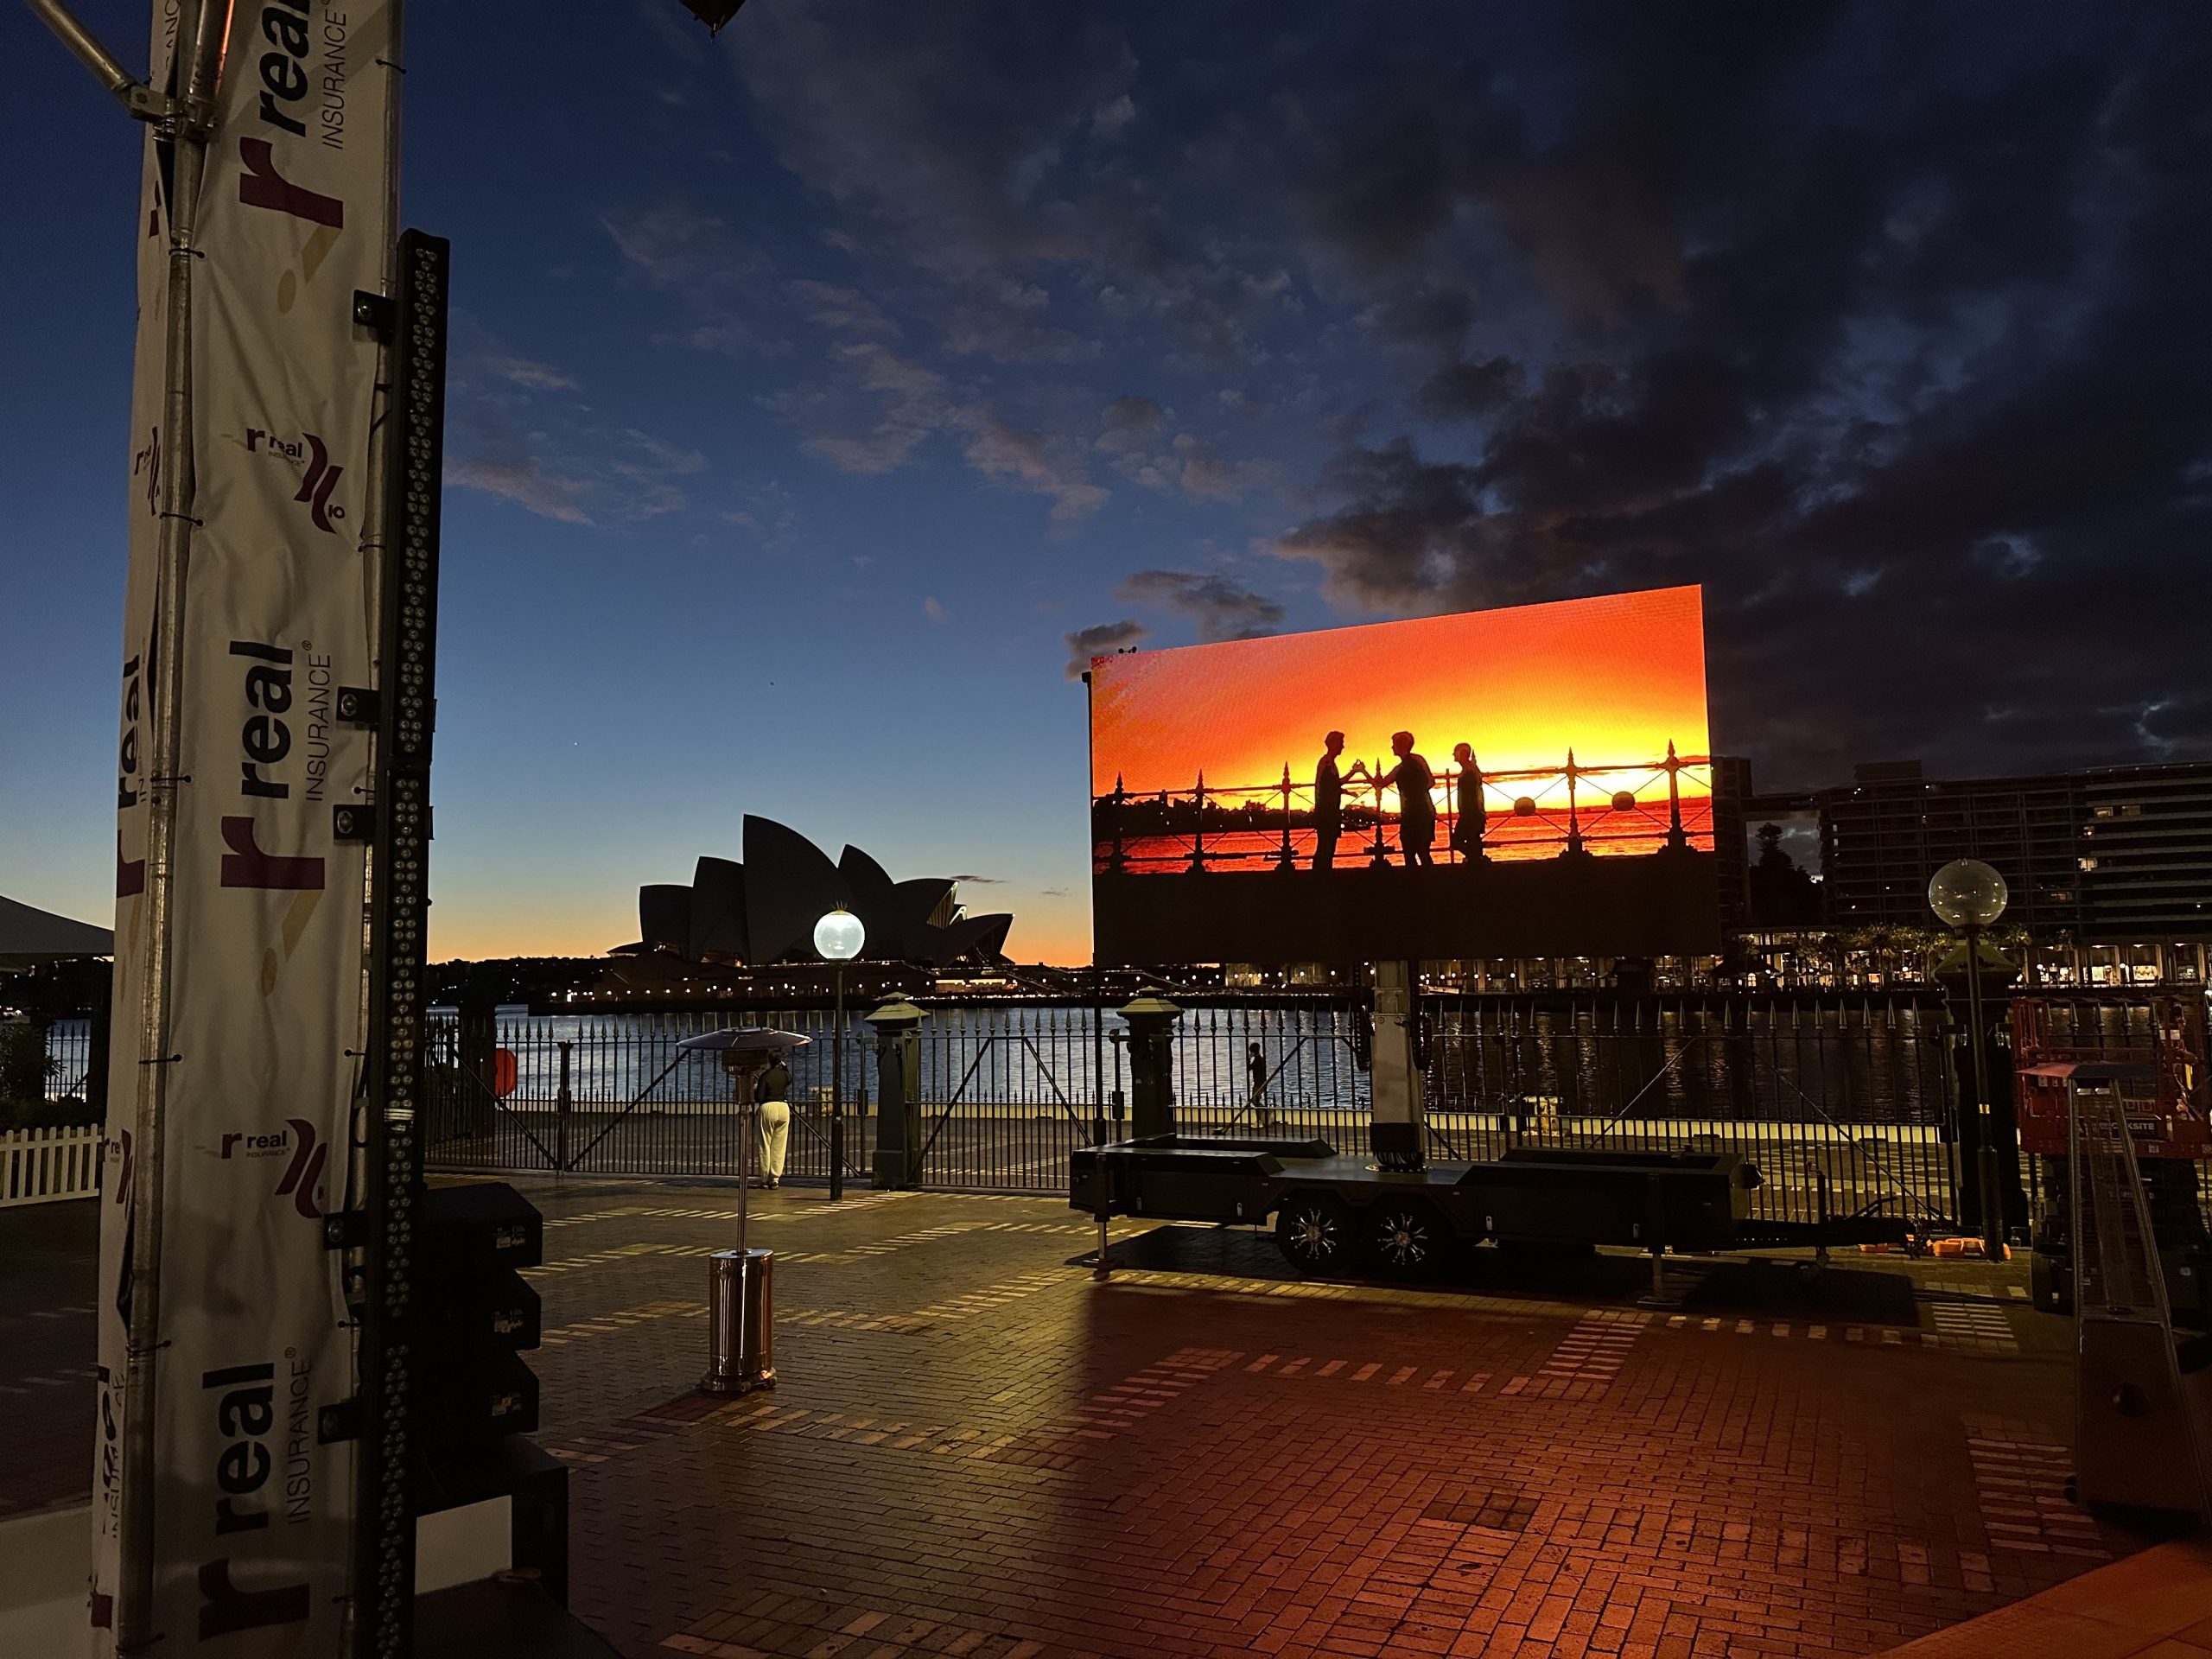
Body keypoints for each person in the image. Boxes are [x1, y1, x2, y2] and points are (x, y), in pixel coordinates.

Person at [1374, 731, 1436, 867]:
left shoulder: (1400, 768)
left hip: (1412, 812)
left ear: (1401, 745)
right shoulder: (1418, 760)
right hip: (1424, 810)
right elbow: (1431, 782)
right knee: (1422, 851)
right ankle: (1430, 881)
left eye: (1394, 744)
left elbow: (1379, 784)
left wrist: (1361, 771)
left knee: (1410, 851)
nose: (1392, 747)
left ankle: (1416, 882)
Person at [753, 1052, 791, 1188]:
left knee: (765, 1143)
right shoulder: (784, 1075)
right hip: (783, 1107)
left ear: (769, 1061)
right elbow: (790, 1079)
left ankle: (764, 1177)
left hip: (768, 1107)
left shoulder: (766, 1076)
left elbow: (759, 1096)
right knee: (779, 1145)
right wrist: (785, 1068)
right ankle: (775, 1178)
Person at [1312, 730, 1346, 870]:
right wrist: (1355, 771)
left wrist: (1343, 791)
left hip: (1327, 811)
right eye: (1341, 743)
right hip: (1327, 812)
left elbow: (1331, 785)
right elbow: (1333, 783)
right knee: (1326, 846)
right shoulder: (1327, 762)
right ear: (1333, 744)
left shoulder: (1327, 762)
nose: (1343, 746)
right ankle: (1321, 875)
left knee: (1326, 846)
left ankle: (1322, 874)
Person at [1449, 741, 1487, 861]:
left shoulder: (1469, 771)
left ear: (1462, 754)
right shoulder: (1471, 769)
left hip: (1470, 812)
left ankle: (1475, 859)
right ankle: (1477, 861)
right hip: (1472, 812)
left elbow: (1471, 794)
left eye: (1456, 753)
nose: (1454, 755)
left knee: (1457, 841)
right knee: (1473, 840)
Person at [1246, 1040, 1275, 1132]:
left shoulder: (1257, 1060)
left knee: (1254, 1101)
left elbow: (1249, 1068)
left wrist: (1248, 1058)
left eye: (1251, 1052)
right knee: (1256, 1101)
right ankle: (1261, 1117)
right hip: (1262, 1083)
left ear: (1253, 1052)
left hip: (1258, 1084)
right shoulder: (1260, 1059)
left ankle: (1264, 1114)